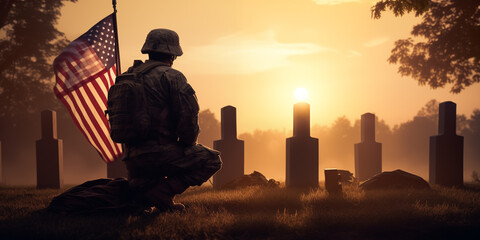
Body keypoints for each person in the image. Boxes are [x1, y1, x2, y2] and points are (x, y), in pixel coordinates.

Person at [122, 29, 222, 212]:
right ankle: (163, 192)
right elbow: (188, 121)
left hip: (132, 159)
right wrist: (186, 144)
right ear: (173, 54)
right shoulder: (172, 76)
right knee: (212, 160)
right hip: (160, 155)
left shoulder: (128, 76)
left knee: (140, 200)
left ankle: (151, 196)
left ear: (148, 50)